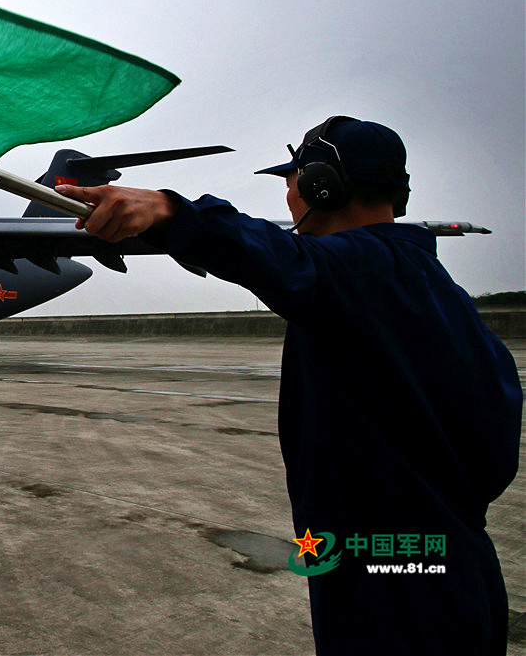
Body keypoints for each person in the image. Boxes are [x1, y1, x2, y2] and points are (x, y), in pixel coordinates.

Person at [56, 115, 522, 656]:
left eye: (292, 180)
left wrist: (170, 209)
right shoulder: (438, 292)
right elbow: (495, 440)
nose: (288, 196)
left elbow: (279, 259)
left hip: (390, 584)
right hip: (449, 559)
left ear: (323, 184)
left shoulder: (359, 273)